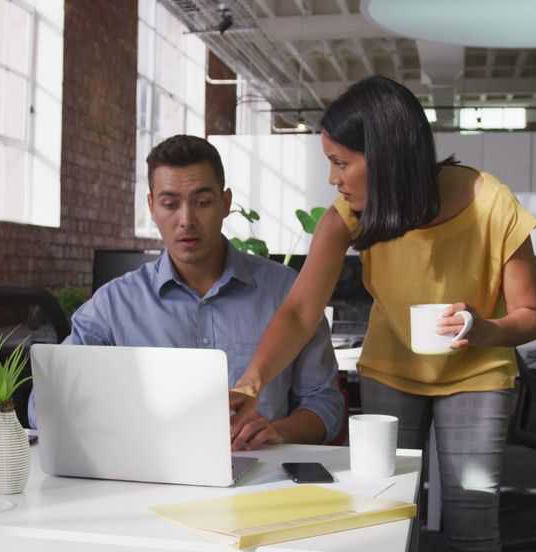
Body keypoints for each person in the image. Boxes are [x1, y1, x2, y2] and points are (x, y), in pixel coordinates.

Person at [230, 77, 536, 552]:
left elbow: (532, 315)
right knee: (385, 518)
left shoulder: (491, 204)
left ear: (385, 154)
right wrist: (252, 383)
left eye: (341, 163)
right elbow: (298, 310)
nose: (333, 179)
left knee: (471, 529)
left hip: (478, 375)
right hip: (390, 369)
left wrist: (485, 329)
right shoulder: (350, 215)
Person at [29, 134, 344, 450]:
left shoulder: (289, 293)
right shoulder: (113, 306)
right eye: (170, 204)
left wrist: (279, 433)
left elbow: (325, 402)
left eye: (202, 202)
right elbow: (45, 406)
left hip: (261, 473)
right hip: (147, 475)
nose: (186, 221)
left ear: (225, 203)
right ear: (152, 207)